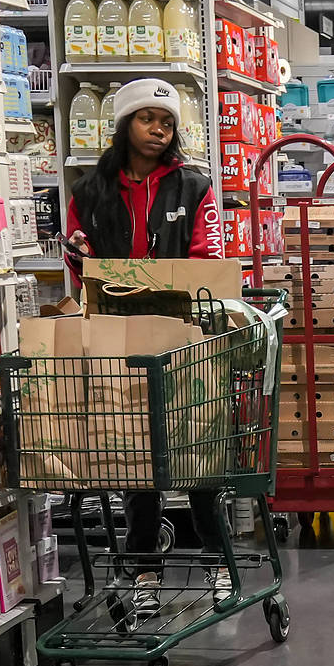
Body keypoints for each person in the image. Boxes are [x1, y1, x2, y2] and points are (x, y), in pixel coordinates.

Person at [63, 78, 230, 612]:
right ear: (124, 124)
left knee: (197, 452)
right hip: (119, 338)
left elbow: (207, 258)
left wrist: (168, 291)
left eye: (167, 121)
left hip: (185, 335)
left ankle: (218, 561)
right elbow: (81, 263)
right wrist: (79, 253)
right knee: (134, 458)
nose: (159, 129)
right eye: (147, 118)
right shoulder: (91, 191)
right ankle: (143, 572)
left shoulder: (193, 187)